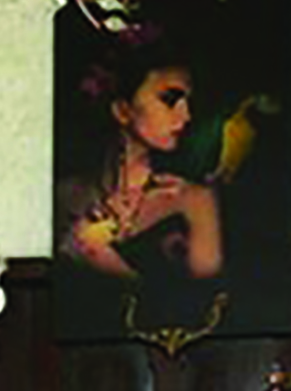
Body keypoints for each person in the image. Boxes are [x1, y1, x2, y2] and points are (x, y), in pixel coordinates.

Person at [58, 36, 222, 288]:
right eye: (170, 100)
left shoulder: (195, 200)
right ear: (122, 110)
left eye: (188, 102)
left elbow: (209, 299)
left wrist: (107, 262)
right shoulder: (67, 194)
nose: (186, 115)